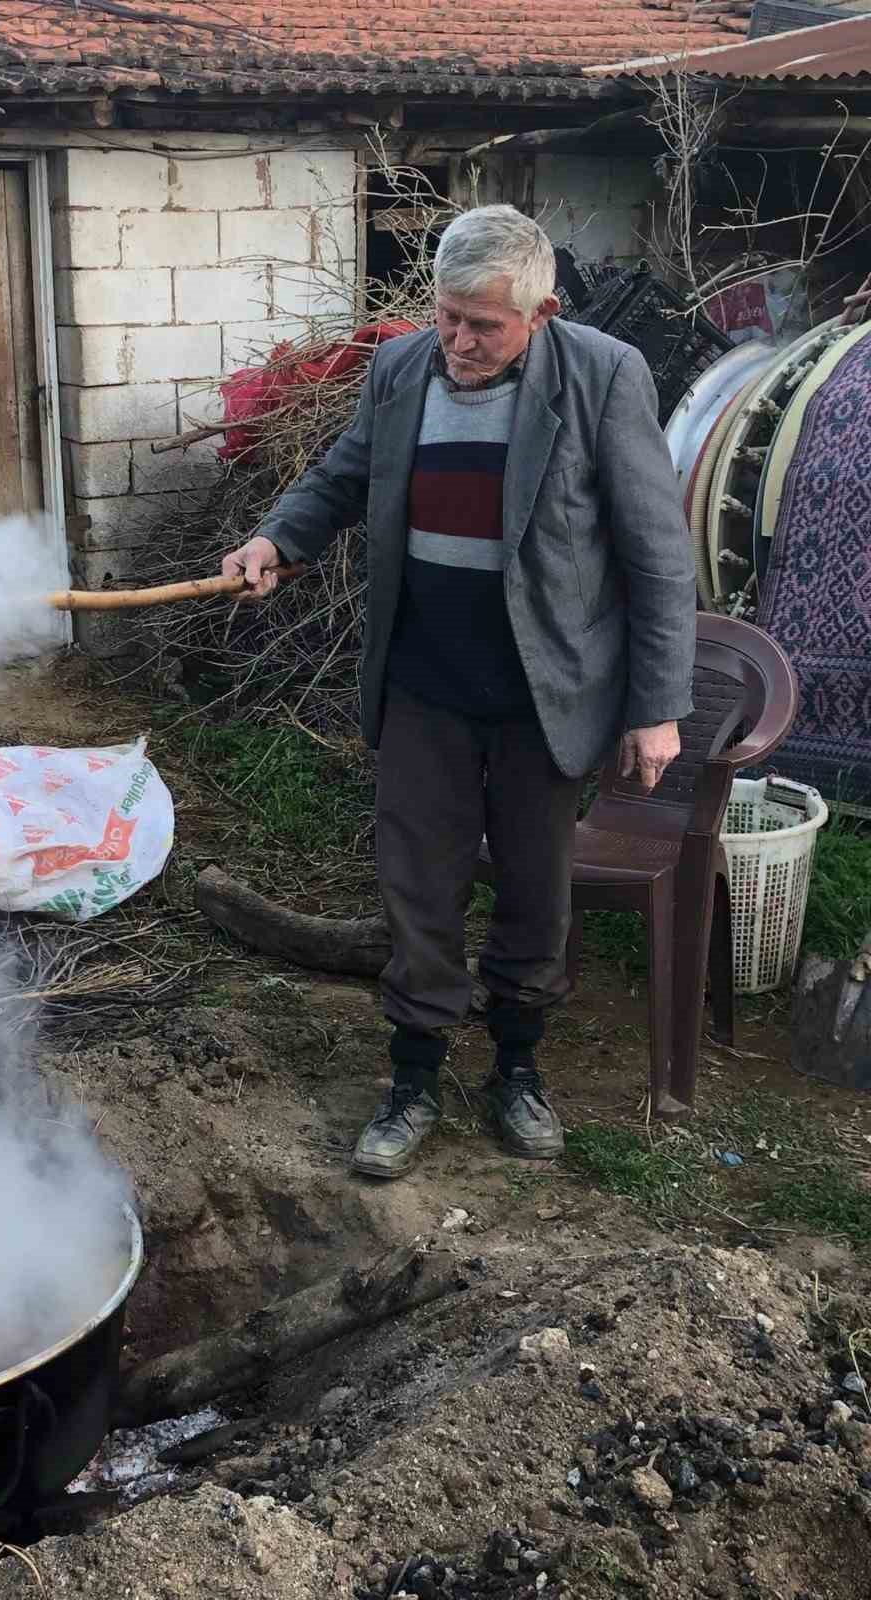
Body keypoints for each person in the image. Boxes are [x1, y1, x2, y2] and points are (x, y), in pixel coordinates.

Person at [222, 205, 697, 1176]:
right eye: (447, 317)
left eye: (484, 324)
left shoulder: (604, 376)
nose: (459, 342)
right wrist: (280, 537)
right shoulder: (399, 369)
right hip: (425, 684)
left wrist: (657, 704)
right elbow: (345, 473)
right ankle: (413, 1077)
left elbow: (658, 556)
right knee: (417, 888)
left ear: (543, 310)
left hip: (544, 691)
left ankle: (518, 1070)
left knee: (534, 891)